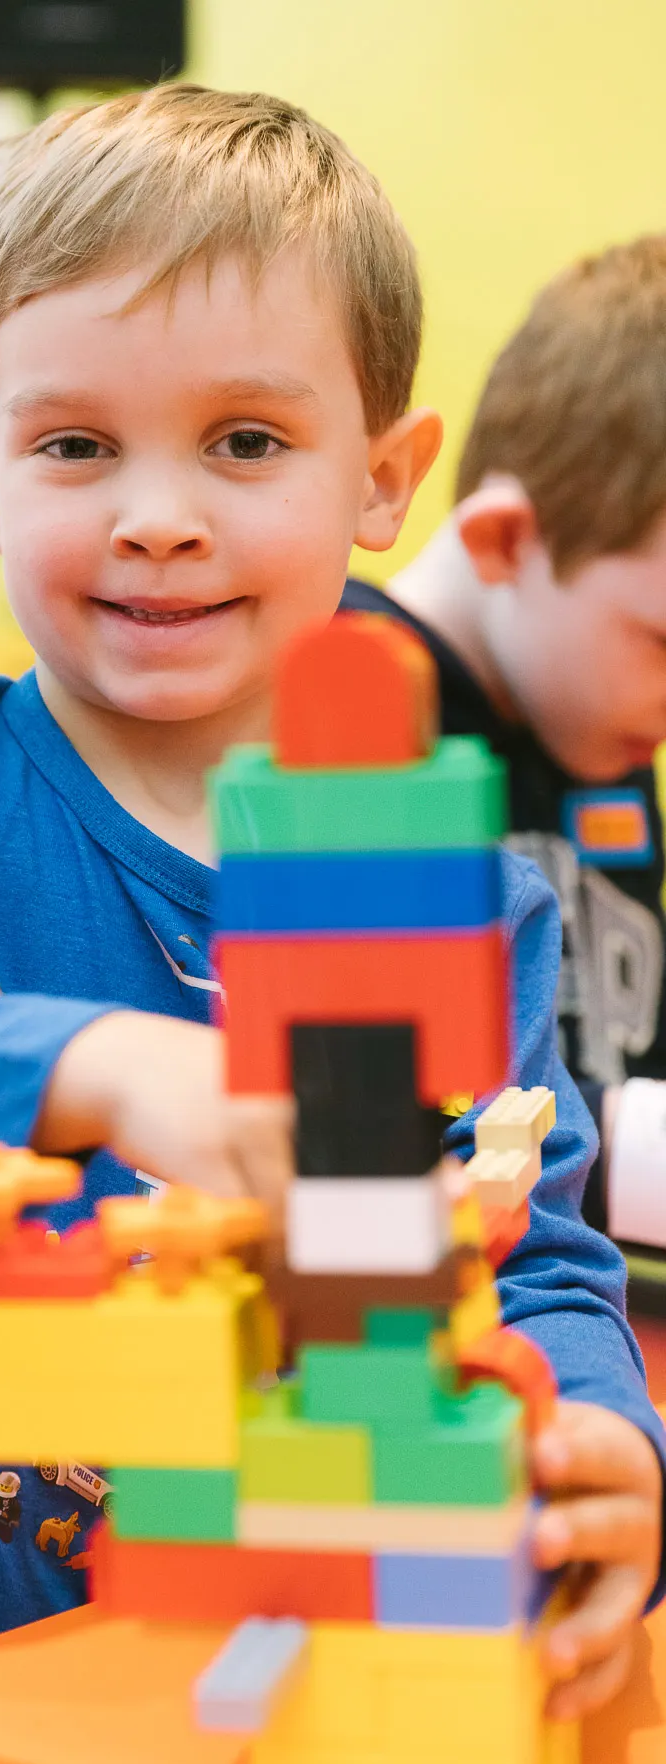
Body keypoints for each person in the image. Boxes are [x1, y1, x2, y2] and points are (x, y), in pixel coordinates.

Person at [0, 86, 664, 1735]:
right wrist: (100, 1066)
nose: (157, 512)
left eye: (246, 442)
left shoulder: (465, 895)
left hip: (248, 1710)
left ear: (385, 480)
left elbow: (524, 1255)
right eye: (74, 445)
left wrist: (605, 1443)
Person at [343, 238, 666, 1267]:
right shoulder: (348, 711)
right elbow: (390, 1115)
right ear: (504, 542)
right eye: (662, 641)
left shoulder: (596, 713)